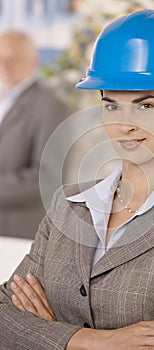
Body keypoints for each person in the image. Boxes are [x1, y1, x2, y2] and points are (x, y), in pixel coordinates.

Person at [0, 10, 154, 350]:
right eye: (112, 106)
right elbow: (3, 317)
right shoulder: (68, 206)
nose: (125, 125)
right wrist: (96, 341)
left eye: (144, 105)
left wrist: (45, 333)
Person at [0, 30, 71, 239]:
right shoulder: (4, 99)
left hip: (17, 234)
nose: (4, 65)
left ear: (34, 60)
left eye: (12, 59)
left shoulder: (52, 107)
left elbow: (48, 178)